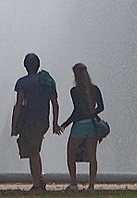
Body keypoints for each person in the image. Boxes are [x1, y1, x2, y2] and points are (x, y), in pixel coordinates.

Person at [12, 52, 60, 192]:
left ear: (25, 66)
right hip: (43, 121)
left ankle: (37, 185)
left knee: (33, 152)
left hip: (30, 122)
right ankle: (38, 180)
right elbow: (55, 103)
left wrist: (14, 125)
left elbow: (19, 105)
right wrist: (55, 122)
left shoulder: (22, 83)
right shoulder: (47, 81)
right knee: (35, 151)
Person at [58, 63, 105, 191]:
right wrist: (92, 114)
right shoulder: (95, 89)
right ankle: (91, 186)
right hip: (92, 125)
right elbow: (101, 107)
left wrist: (65, 125)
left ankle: (73, 183)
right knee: (92, 157)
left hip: (79, 125)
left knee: (71, 154)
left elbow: (76, 112)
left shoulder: (74, 91)